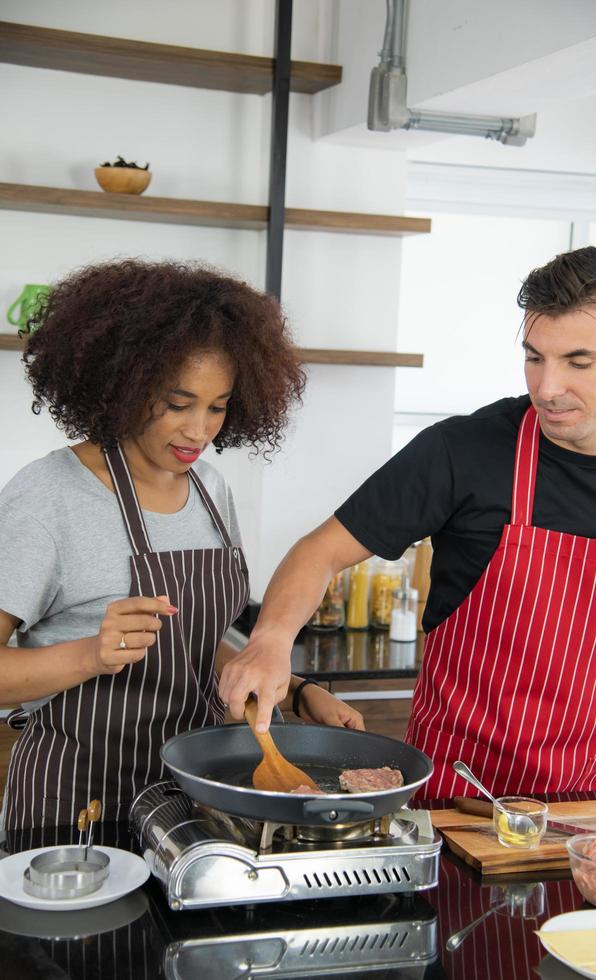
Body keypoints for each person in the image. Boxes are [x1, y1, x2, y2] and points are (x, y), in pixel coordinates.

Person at [220, 245, 596, 799]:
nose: (546, 387)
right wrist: (272, 639)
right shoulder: (462, 450)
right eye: (534, 357)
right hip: (459, 791)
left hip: (591, 797)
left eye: (578, 362)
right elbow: (318, 552)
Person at [0, 259, 362, 830]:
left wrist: (293, 689)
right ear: (123, 384)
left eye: (217, 407)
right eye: (177, 403)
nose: (200, 431)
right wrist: (92, 654)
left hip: (195, 802)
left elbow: (196, 646)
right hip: (77, 809)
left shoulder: (210, 490)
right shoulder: (48, 496)